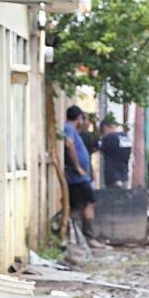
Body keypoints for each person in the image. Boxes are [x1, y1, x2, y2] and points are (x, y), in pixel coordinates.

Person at [63, 105, 103, 248]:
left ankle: (81, 237)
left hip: (79, 175)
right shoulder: (68, 128)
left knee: (83, 204)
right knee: (87, 203)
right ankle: (86, 237)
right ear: (79, 118)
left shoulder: (73, 130)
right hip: (77, 176)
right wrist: (77, 166)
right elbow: (69, 144)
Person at [98, 118, 132, 188]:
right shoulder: (125, 137)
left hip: (112, 176)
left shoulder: (109, 138)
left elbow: (98, 146)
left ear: (105, 127)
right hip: (124, 175)